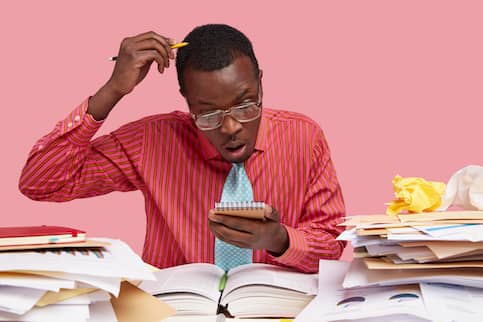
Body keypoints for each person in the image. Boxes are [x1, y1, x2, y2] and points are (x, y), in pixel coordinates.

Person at [19, 24, 346, 273]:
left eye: (246, 105)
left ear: (260, 83)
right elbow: (43, 183)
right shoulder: (152, 140)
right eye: (208, 114)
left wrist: (279, 240)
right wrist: (112, 91)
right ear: (187, 101)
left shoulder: (304, 136)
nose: (230, 127)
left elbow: (332, 247)